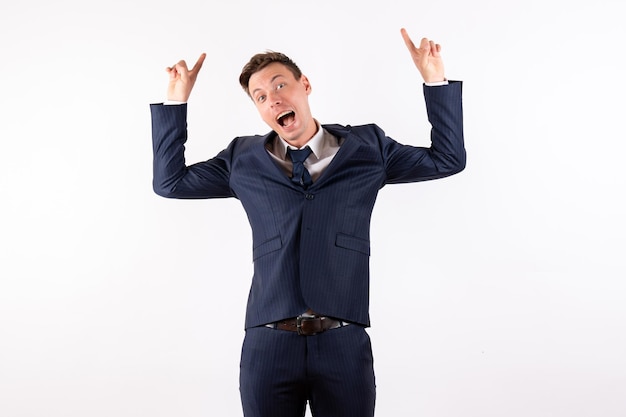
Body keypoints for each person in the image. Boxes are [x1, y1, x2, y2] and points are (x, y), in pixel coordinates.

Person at [150, 28, 465, 417]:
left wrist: (434, 79)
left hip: (343, 343)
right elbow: (169, 182)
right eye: (261, 97)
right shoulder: (241, 159)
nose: (273, 99)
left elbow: (447, 159)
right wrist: (175, 100)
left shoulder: (369, 148)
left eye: (280, 85)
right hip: (268, 346)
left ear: (306, 85)